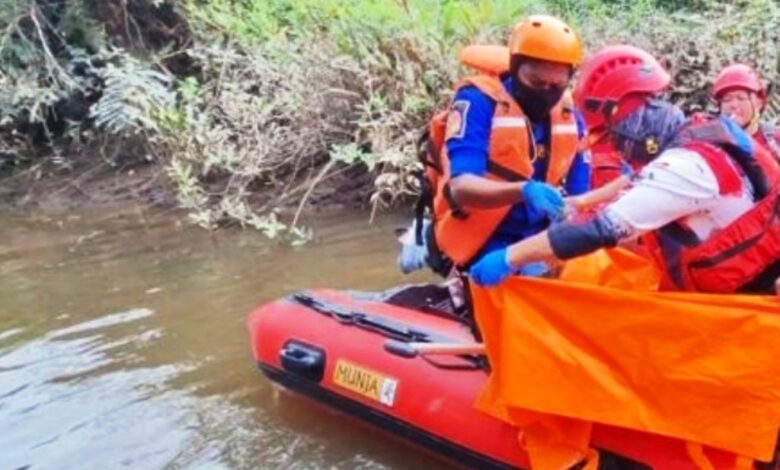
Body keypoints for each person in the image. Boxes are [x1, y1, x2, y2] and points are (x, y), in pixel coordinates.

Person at [469, 44, 780, 294]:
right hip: (745, 282)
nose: (615, 147)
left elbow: (602, 229)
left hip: (747, 295)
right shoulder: (698, 136)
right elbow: (628, 190)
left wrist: (511, 257)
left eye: (610, 135)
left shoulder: (685, 167)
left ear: (632, 123)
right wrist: (571, 207)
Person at [411, 15, 590, 278]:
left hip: (535, 240)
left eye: (556, 85)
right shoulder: (478, 102)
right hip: (483, 238)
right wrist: (524, 191)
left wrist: (563, 234)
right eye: (536, 82)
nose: (546, 92)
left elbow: (581, 196)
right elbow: (461, 188)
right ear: (516, 68)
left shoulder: (569, 115)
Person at [713, 64, 780, 165]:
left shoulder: (775, 141)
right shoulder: (712, 145)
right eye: (727, 99)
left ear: (759, 103)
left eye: (741, 98)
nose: (734, 105)